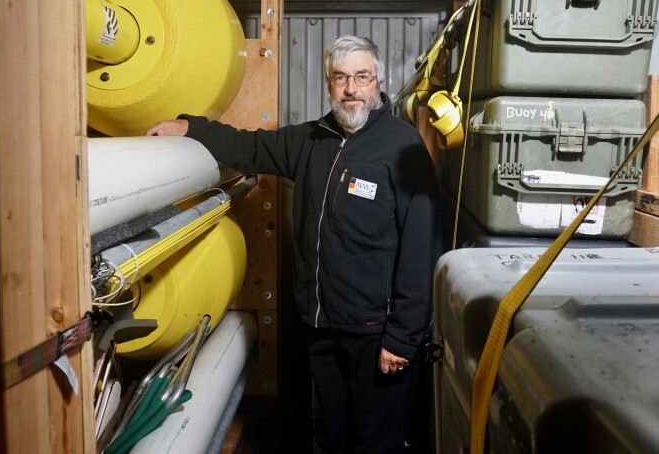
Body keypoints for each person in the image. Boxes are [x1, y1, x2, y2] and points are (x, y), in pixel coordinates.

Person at [147, 35, 442, 453]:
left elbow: (422, 245)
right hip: (321, 326)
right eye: (340, 78)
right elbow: (249, 146)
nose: (352, 89)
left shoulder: (402, 147)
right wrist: (192, 128)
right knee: (327, 432)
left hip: (376, 333)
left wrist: (403, 337)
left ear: (378, 82)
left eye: (362, 77)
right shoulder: (310, 140)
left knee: (376, 439)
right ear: (328, 83)